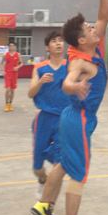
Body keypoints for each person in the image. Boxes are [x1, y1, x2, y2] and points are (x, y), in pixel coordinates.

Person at [31, 0, 108, 215]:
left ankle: (44, 204)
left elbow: (103, 17)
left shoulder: (89, 47)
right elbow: (67, 82)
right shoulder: (81, 62)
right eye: (89, 28)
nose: (94, 28)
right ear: (82, 39)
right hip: (79, 119)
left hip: (73, 117)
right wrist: (73, 87)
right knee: (79, 174)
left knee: (64, 163)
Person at [27, 32, 69, 202]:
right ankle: (42, 180)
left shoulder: (71, 66)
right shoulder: (40, 68)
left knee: (58, 165)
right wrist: (40, 82)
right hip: (44, 119)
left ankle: (48, 204)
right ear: (47, 47)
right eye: (54, 41)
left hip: (64, 119)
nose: (58, 44)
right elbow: (30, 93)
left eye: (61, 41)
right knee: (37, 168)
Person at [3, 42, 22, 112]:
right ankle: (6, 104)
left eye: (13, 46)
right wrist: (3, 70)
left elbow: (21, 63)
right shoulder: (5, 55)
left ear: (15, 47)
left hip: (14, 74)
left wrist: (17, 67)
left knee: (12, 90)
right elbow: (3, 63)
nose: (12, 47)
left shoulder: (18, 54)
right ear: (8, 47)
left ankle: (10, 104)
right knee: (8, 89)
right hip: (8, 74)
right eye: (10, 46)